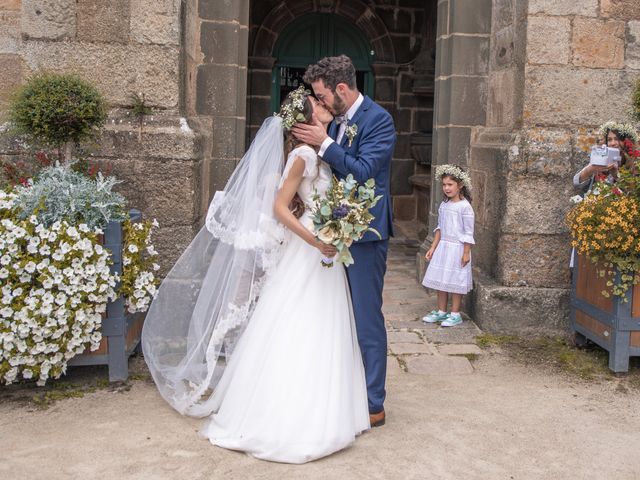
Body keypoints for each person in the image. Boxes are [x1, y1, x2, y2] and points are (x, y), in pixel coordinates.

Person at [142, 86, 370, 464]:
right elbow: (281, 208)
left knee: (321, 321)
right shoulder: (301, 155)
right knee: (300, 320)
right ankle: (285, 414)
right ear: (305, 119)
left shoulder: (318, 152)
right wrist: (315, 241)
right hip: (309, 248)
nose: (326, 104)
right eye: (318, 103)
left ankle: (329, 408)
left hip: (322, 249)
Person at [292, 55, 396, 428]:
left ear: (340, 89)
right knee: (335, 315)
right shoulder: (336, 122)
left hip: (365, 235)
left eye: (322, 95)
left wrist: (324, 144)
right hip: (332, 234)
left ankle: (373, 402)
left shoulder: (379, 120)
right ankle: (341, 389)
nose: (319, 102)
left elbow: (365, 172)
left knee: (366, 317)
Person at [421, 164, 474, 327]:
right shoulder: (444, 205)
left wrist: (466, 252)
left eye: (450, 184)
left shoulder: (465, 207)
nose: (446, 188)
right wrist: (433, 247)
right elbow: (440, 228)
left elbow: (468, 232)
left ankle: (455, 313)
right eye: (444, 185)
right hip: (443, 247)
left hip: (457, 248)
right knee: (441, 280)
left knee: (455, 281)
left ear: (461, 185)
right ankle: (441, 311)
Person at [573, 121, 639, 195]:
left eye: (617, 139)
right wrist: (591, 168)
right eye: (610, 140)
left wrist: (616, 175)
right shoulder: (603, 158)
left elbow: (634, 193)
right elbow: (576, 182)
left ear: (627, 141)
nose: (613, 143)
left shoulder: (636, 163)